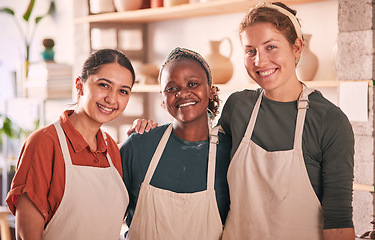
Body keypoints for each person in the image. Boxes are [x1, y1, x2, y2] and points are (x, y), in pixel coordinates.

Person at [219, 2, 355, 240]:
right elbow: (201, 163)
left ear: (297, 48)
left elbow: (339, 224)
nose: (260, 61)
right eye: (250, 51)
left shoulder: (329, 121)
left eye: (271, 47)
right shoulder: (238, 108)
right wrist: (149, 132)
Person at [6, 49, 135, 240]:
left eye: (123, 91)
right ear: (80, 86)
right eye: (104, 85)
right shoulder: (43, 144)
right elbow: (27, 236)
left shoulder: (112, 151)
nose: (112, 99)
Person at [120, 47, 231, 239]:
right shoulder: (138, 146)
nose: (182, 93)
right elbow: (104, 218)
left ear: (211, 91)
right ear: (162, 101)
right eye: (171, 88)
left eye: (193, 83)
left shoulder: (230, 152)